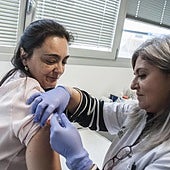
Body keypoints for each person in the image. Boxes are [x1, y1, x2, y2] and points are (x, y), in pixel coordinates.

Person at [27, 35, 170, 170]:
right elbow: (96, 112)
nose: (132, 85)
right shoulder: (140, 112)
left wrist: (80, 161)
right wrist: (67, 93)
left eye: (142, 75)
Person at [0, 19, 73, 170]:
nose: (59, 69)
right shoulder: (33, 99)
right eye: (51, 60)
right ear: (24, 55)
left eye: (64, 61)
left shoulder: (14, 78)